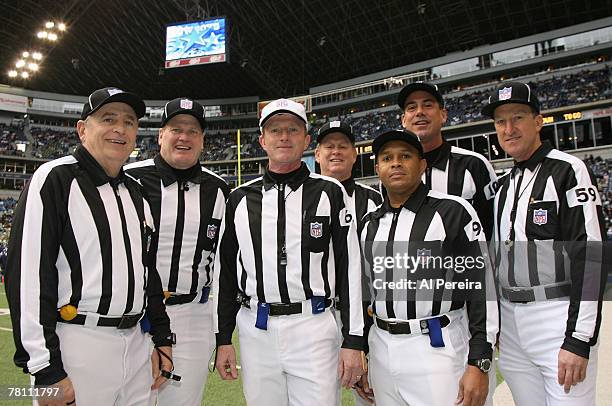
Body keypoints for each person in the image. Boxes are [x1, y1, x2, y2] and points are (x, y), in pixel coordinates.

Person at [5, 87, 174, 406]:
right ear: (83, 129)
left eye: (129, 122)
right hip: (78, 342)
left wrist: (161, 338)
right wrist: (45, 369)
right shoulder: (54, 179)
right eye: (108, 119)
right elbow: (28, 276)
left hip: (136, 343)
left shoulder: (136, 193)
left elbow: (146, 273)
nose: (120, 128)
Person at [213, 98, 366, 405]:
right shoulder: (239, 199)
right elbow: (225, 271)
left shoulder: (330, 192)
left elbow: (349, 266)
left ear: (306, 140)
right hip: (257, 328)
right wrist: (222, 338)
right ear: (262, 140)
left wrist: (353, 339)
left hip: (314, 324)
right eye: (275, 130)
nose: (284, 136)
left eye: (293, 129)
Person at [482, 81, 607, 405]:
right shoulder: (504, 186)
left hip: (555, 315)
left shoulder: (568, 170)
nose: (508, 128)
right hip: (511, 322)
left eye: (518, 117)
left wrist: (579, 339)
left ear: (538, 121)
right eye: (500, 121)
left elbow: (591, 254)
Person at [358, 129, 498, 406]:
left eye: (405, 156)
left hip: (437, 346)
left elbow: (481, 285)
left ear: (422, 165)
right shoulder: (369, 223)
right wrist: (363, 348)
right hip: (382, 348)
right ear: (378, 168)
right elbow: (367, 293)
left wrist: (479, 358)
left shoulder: (452, 211)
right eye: (387, 158)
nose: (396, 163)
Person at [124, 98, 229, 405]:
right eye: (176, 129)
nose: (184, 136)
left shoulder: (218, 188)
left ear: (202, 140)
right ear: (160, 135)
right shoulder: (131, 178)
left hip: (193, 315)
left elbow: (223, 261)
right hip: (137, 315)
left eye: (193, 131)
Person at [315, 120, 382, 405]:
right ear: (316, 153)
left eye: (343, 146)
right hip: (317, 317)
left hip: (366, 314)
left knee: (371, 396)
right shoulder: (302, 198)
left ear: (355, 154)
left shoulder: (376, 201)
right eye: (329, 146)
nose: (336, 152)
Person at [398, 82, 498, 239]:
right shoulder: (395, 174)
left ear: (443, 115)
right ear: (404, 120)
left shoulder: (474, 165)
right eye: (412, 107)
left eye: (428, 105)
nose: (419, 112)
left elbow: (494, 228)